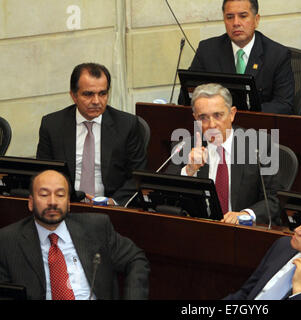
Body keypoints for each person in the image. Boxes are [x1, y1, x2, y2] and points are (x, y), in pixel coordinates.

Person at [0, 170, 150, 300]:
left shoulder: (96, 227)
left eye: (60, 195)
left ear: (69, 203)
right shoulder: (8, 241)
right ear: (31, 202)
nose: (53, 202)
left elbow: (135, 259)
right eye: (44, 195)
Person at [167, 83, 282, 225]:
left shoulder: (259, 145)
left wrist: (245, 214)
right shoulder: (185, 147)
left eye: (217, 115)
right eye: (203, 117)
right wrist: (189, 170)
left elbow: (274, 199)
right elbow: (166, 196)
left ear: (232, 114)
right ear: (195, 118)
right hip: (200, 230)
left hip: (242, 232)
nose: (212, 124)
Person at [36, 63, 147, 206]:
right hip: (66, 205)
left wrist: (114, 202)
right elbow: (43, 172)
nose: (96, 101)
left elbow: (137, 175)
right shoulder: (52, 125)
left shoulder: (127, 124)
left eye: (102, 94)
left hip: (110, 205)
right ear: (73, 96)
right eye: (88, 94)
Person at [178, 0, 295, 115]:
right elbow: (186, 97)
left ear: (256, 19)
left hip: (259, 128)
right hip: (215, 125)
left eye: (243, 16)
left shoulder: (278, 55)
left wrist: (242, 114)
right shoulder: (207, 50)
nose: (236, 23)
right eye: (229, 17)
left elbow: (283, 104)